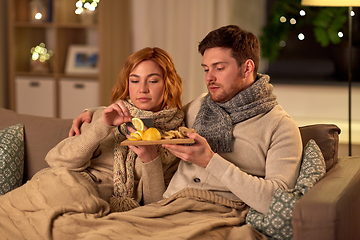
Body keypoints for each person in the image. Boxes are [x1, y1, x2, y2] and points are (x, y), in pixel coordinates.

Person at [71, 25, 303, 216]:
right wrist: (95, 113)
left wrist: (211, 161)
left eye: (219, 68)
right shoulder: (201, 106)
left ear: (247, 68)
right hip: (167, 208)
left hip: (218, 215)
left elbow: (277, 203)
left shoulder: (280, 127)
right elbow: (152, 114)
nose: (209, 78)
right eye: (205, 69)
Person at [0, 46, 184, 224]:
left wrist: (150, 159)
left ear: (168, 84)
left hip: (89, 202)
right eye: (135, 80)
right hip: (62, 183)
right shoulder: (105, 115)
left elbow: (156, 204)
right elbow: (58, 161)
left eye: (152, 81)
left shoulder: (174, 137)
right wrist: (101, 126)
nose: (142, 89)